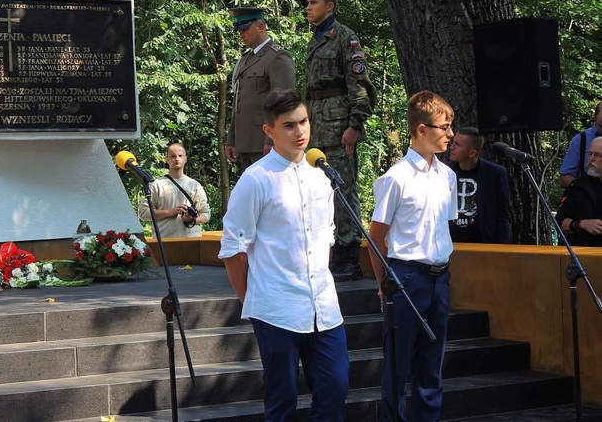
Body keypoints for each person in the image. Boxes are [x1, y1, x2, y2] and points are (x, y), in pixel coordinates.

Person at [219, 89, 349, 421]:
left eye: (304, 122)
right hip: (276, 309)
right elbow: (233, 249)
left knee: (335, 388)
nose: (300, 131)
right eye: (289, 125)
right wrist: (253, 300)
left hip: (324, 306)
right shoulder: (256, 179)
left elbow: (327, 239)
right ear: (270, 131)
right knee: (282, 400)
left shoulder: (322, 178)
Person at [368, 91, 458, 422]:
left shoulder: (447, 176)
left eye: (451, 127)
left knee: (432, 366)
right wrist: (384, 284)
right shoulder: (396, 178)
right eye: (444, 127)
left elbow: (440, 229)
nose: (450, 134)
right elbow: (375, 237)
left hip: (439, 277)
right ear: (421, 130)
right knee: (398, 366)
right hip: (405, 277)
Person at [301, 0, 377, 281]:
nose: (308, 8)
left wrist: (355, 125)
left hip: (340, 125)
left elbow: (359, 85)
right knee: (323, 193)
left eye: (314, 3)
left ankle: (350, 256)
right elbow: (311, 91)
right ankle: (334, 253)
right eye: (308, 4)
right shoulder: (315, 40)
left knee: (344, 189)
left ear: (330, 6)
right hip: (319, 126)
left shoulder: (344, 37)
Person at [226, 6, 296, 171]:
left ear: (260, 27)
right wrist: (232, 139)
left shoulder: (277, 57)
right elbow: (239, 103)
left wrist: (272, 139)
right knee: (252, 195)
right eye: (239, 29)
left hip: (265, 144)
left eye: (245, 28)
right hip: (246, 143)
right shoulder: (245, 59)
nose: (241, 34)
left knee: (271, 194)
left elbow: (284, 104)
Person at [446, 126, 511, 243]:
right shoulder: (444, 171)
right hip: (449, 244)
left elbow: (503, 215)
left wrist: (503, 250)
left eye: (458, 144)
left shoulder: (495, 174)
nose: (452, 147)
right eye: (453, 142)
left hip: (483, 244)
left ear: (472, 153)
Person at [137, 143, 211, 238]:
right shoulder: (156, 185)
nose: (177, 159)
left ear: (185, 158)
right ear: (166, 159)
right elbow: (143, 213)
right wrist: (169, 212)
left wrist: (192, 220)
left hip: (192, 240)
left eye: (180, 156)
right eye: (173, 156)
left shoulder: (194, 185)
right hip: (164, 242)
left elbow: (206, 213)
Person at [556, 136, 602, 247]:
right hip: (581, 252)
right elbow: (560, 222)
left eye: (597, 155)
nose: (591, 159)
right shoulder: (577, 186)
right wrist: (583, 224)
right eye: (590, 154)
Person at [559, 101, 602, 188]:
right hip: (589, 199)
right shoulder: (582, 140)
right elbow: (564, 178)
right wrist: (586, 188)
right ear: (595, 117)